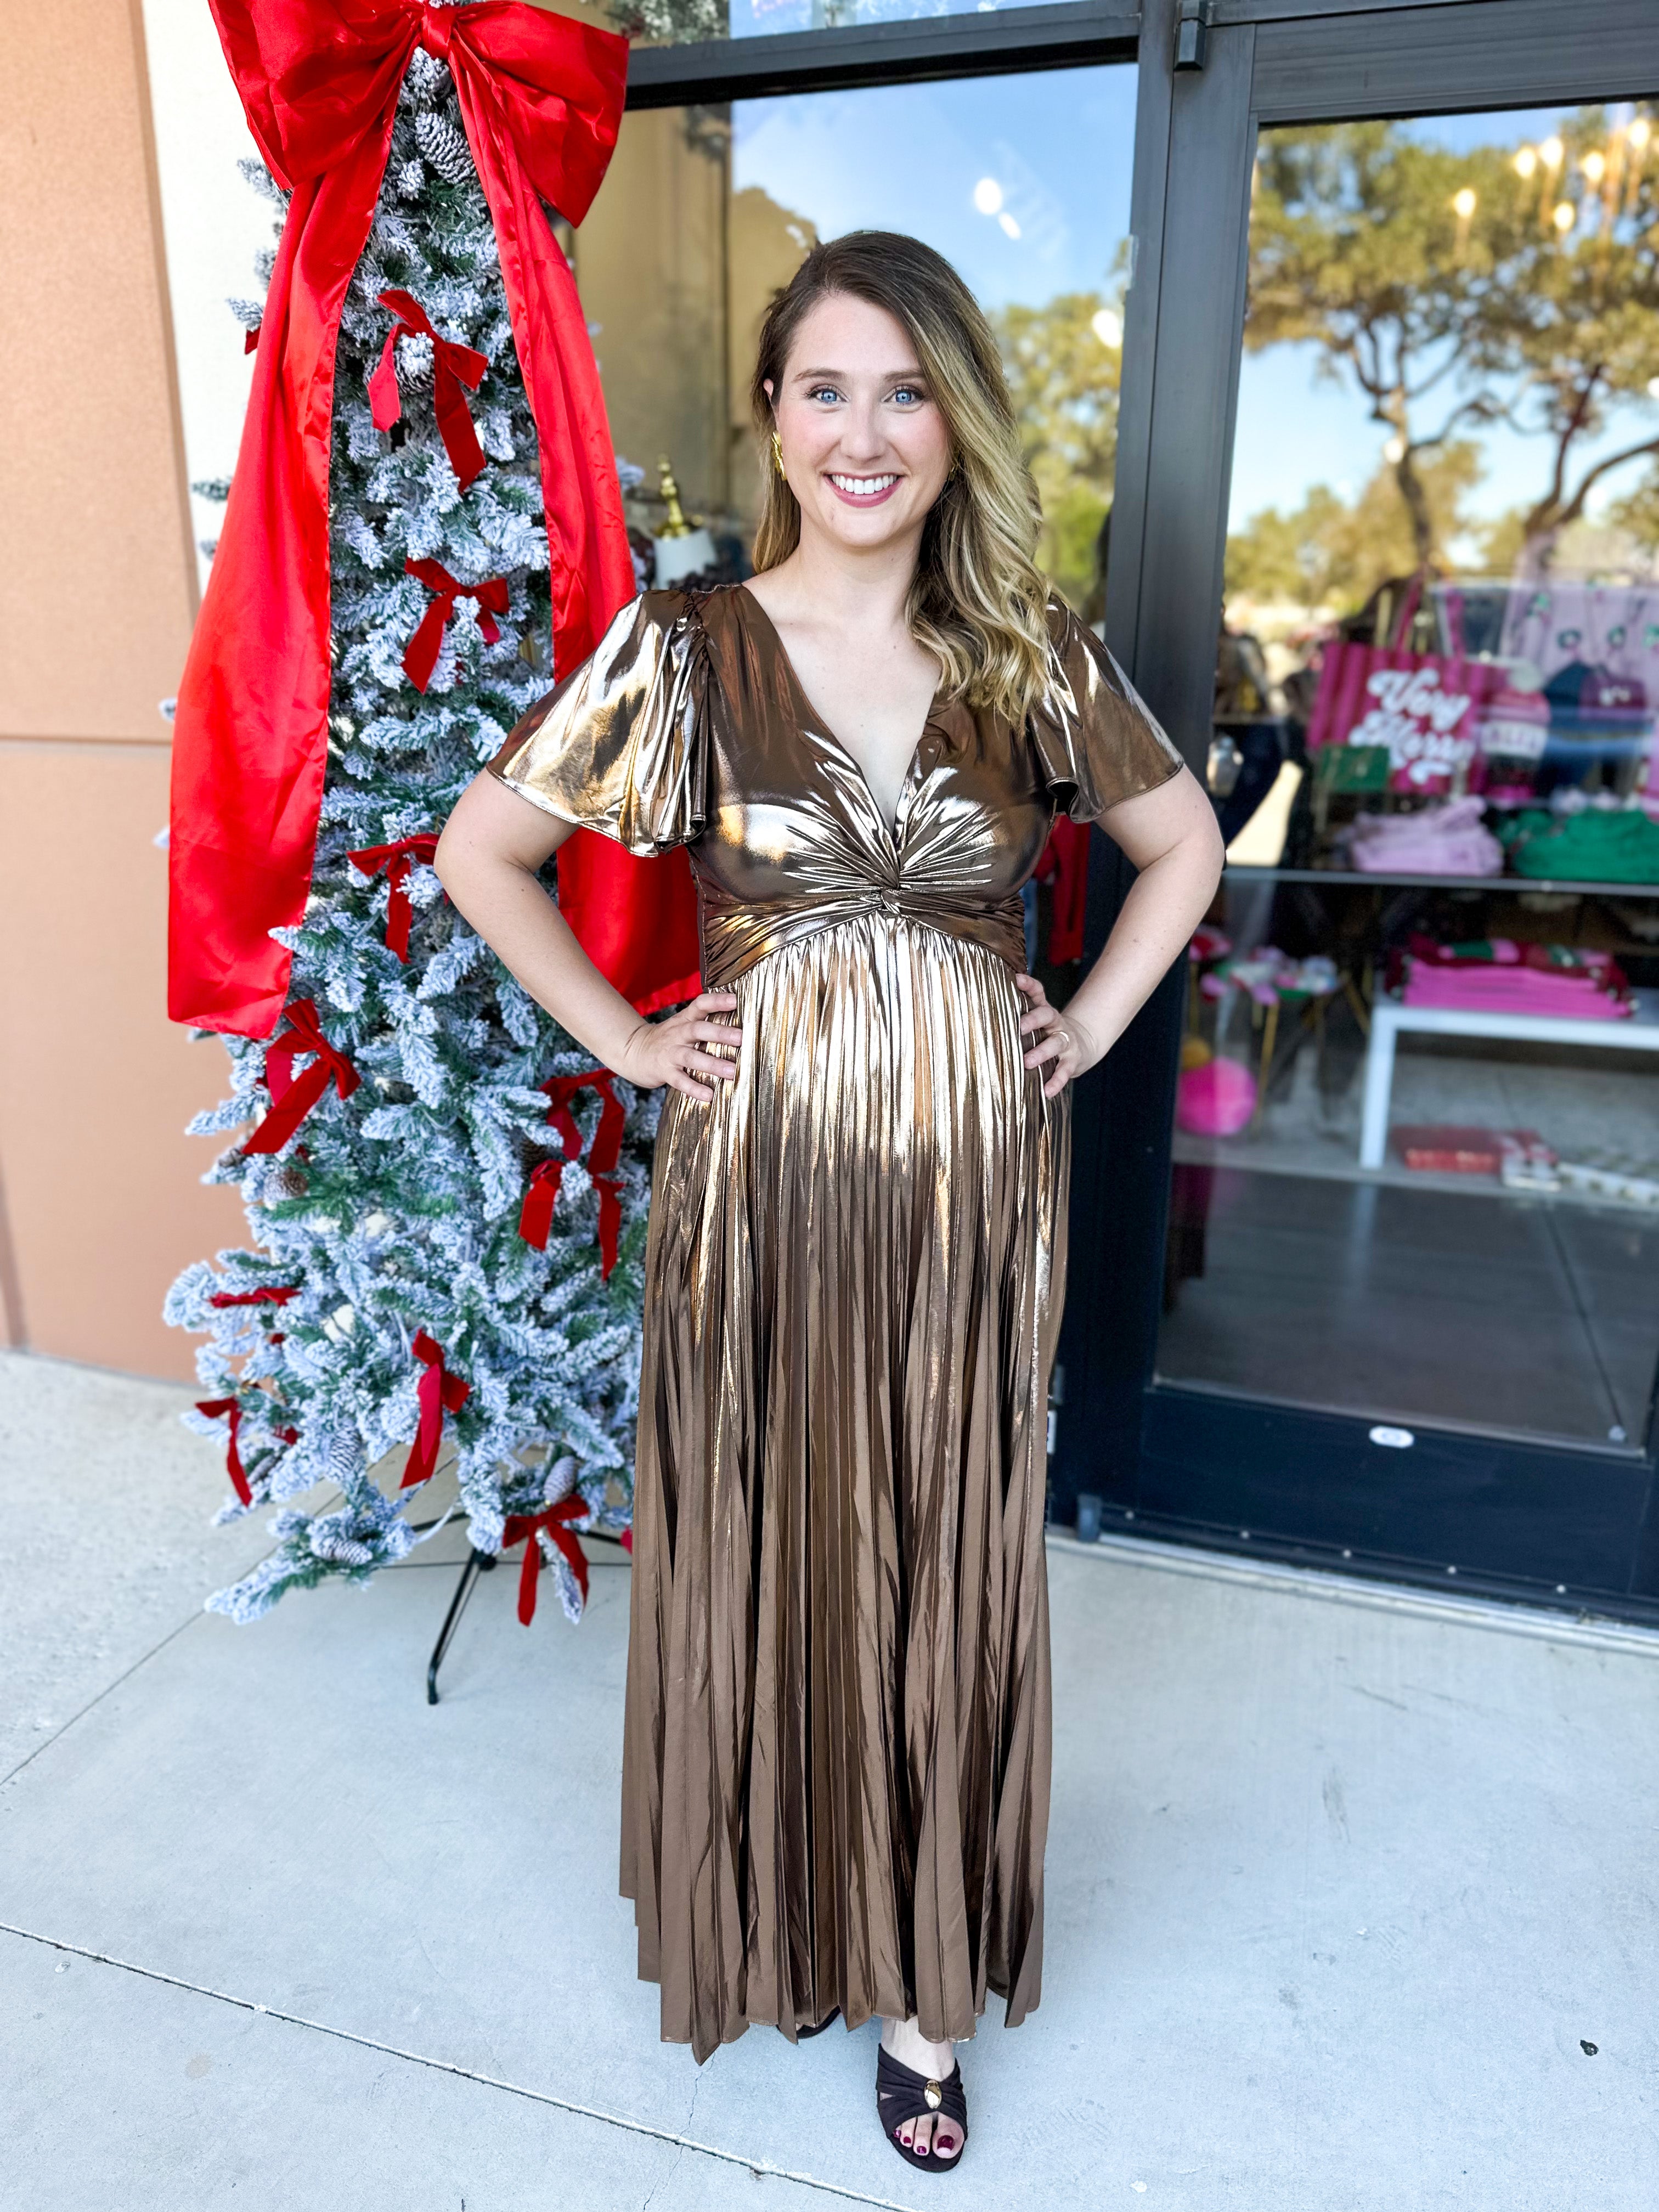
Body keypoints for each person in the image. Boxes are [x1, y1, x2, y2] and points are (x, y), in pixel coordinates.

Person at [435, 230, 1223, 2172]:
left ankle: (924, 1994)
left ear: (952, 418)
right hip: (756, 1184)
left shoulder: (1027, 646)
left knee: (943, 1550)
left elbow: (1182, 843)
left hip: (969, 1196)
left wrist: (1094, 1020)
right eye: (822, 390)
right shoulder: (688, 645)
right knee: (780, 1530)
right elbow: (485, 854)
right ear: (774, 421)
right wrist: (629, 1044)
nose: (862, 432)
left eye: (902, 389)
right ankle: (784, 1908)